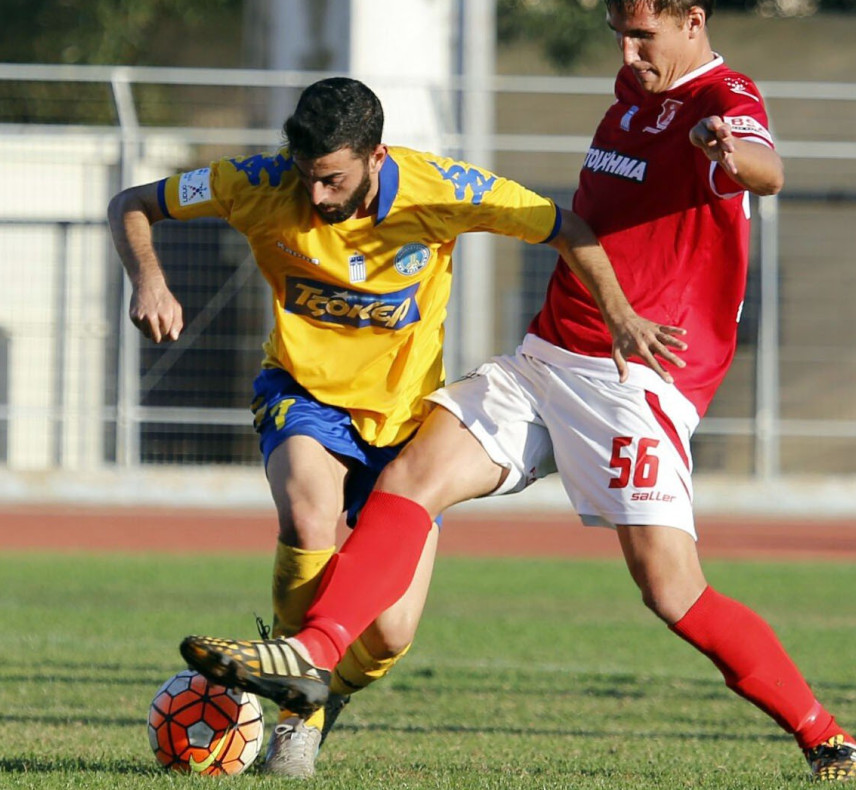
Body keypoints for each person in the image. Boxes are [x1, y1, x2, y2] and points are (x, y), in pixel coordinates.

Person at [179, 1, 856, 782]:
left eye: (644, 32)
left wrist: (731, 153)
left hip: (635, 378)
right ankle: (311, 656)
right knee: (410, 481)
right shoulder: (631, 92)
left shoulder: (724, 96)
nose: (628, 46)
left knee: (671, 590)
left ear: (693, 20)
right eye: (619, 30)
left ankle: (826, 736)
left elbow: (765, 169)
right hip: (545, 357)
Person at [108, 76, 683, 778]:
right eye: (306, 177)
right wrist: (149, 280)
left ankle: (326, 688)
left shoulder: (442, 190)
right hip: (305, 395)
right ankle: (299, 704)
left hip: (408, 425)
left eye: (332, 180)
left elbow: (565, 227)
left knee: (388, 635)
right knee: (307, 514)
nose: (315, 197)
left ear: (376, 157)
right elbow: (132, 204)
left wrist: (620, 315)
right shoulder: (253, 183)